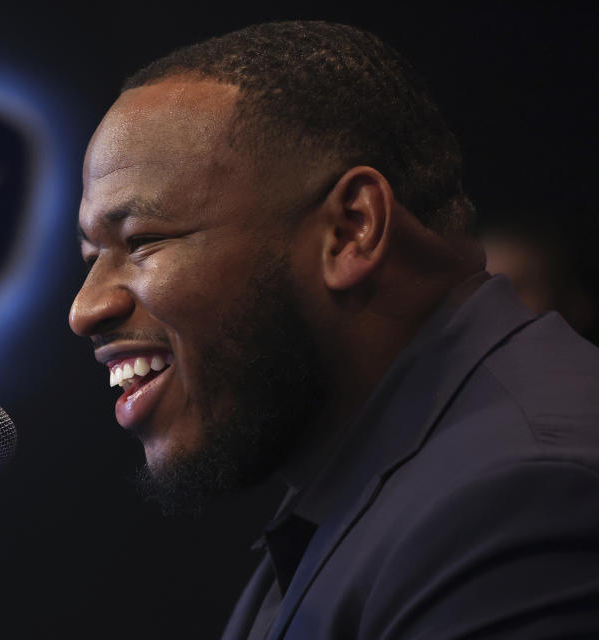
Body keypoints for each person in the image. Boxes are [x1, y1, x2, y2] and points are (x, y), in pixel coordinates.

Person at [69, 21, 599, 639]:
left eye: (142, 241)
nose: (85, 310)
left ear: (351, 229)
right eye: (89, 259)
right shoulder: (369, 487)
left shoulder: (521, 499)